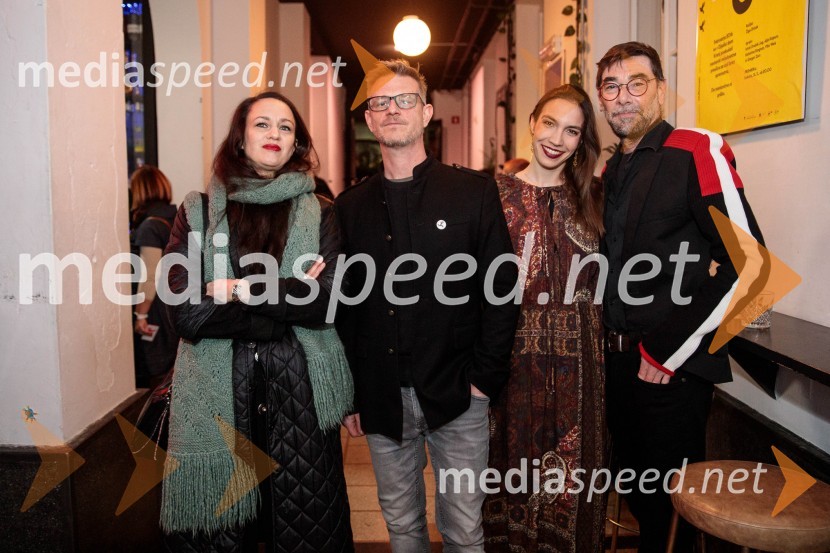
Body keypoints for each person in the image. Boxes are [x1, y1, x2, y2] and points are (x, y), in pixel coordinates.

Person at [335, 59, 520, 552]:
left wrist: (484, 380)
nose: (393, 110)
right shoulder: (349, 208)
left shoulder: (472, 193)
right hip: (381, 397)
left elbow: (501, 292)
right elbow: (345, 310)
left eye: (405, 100)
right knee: (402, 527)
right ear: (369, 121)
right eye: (380, 103)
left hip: (459, 395)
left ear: (428, 113)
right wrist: (351, 396)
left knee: (463, 530)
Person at [160, 91, 354, 552]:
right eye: (262, 124)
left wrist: (236, 289)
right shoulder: (198, 212)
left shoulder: (323, 212)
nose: (274, 134)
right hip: (218, 396)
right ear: (240, 139)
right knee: (229, 539)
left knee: (301, 530)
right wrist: (287, 297)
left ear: (297, 145)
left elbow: (328, 303)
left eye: (285, 127)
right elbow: (185, 311)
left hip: (300, 405)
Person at [596, 42, 764, 552]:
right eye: (611, 86)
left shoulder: (696, 149)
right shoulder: (609, 171)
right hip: (615, 365)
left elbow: (751, 264)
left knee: (674, 515)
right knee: (638, 501)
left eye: (637, 83)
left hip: (670, 366)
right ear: (601, 100)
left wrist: (665, 349)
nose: (624, 97)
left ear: (662, 90)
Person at [483, 84, 607, 552]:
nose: (557, 138)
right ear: (532, 122)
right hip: (511, 365)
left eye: (572, 131)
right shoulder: (493, 195)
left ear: (582, 142)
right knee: (507, 473)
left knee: (573, 488)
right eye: (550, 123)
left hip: (582, 372)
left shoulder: (596, 196)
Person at [129, 165, 178, 388]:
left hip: (155, 312)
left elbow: (150, 275)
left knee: (152, 379)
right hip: (175, 309)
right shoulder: (176, 221)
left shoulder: (150, 227)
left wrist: (140, 316)